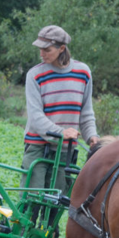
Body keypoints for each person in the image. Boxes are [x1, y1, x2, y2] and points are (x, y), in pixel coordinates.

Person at [22, 25, 101, 205]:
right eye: (40, 49)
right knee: (31, 200)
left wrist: (92, 136)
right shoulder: (35, 75)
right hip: (37, 147)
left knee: (56, 202)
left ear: (62, 48)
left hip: (65, 150)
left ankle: (49, 233)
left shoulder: (83, 72)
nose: (42, 53)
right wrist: (60, 132)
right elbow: (35, 116)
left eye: (47, 49)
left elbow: (86, 112)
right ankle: (26, 231)